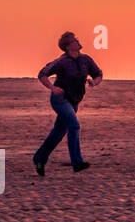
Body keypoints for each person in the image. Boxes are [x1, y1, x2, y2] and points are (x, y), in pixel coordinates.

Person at [33, 31, 101, 175]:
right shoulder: (61, 61)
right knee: (74, 126)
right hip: (60, 99)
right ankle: (77, 162)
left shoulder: (86, 59)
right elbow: (42, 74)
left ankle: (39, 158)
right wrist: (53, 87)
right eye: (75, 40)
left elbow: (98, 74)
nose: (78, 41)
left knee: (58, 133)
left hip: (74, 101)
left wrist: (93, 82)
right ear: (68, 46)